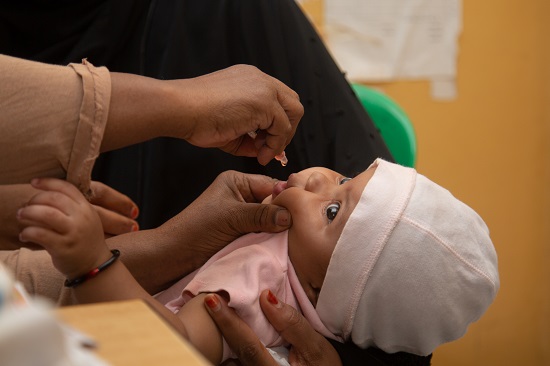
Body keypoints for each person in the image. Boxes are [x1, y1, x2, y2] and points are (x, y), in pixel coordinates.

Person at [16, 159, 499, 364]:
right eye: (344, 179)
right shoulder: (286, 260)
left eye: (333, 211)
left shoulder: (264, 281)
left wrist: (91, 262)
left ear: (324, 291)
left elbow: (169, 349)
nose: (318, 181)